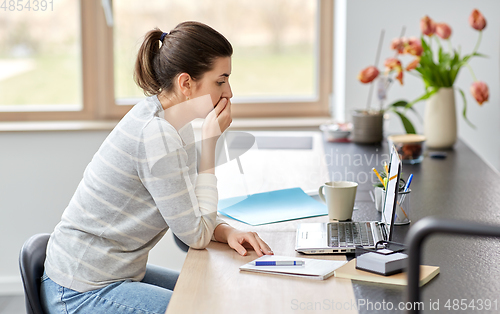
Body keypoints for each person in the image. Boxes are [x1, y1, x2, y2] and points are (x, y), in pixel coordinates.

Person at [40, 21, 273, 314]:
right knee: (201, 308)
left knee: (213, 295)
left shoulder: (173, 122)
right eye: (220, 81)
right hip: (79, 290)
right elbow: (195, 237)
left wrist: (225, 231)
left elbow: (189, 216)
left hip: (114, 275)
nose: (229, 93)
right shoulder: (156, 135)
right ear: (186, 84)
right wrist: (211, 145)